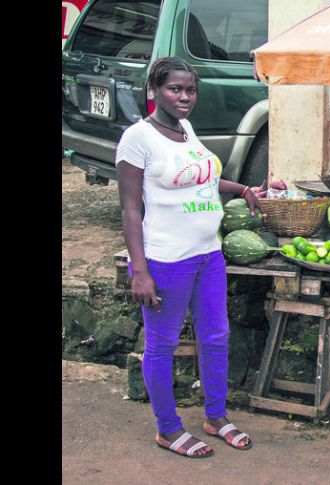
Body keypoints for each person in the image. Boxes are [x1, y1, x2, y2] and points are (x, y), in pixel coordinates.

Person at [117, 56, 258, 458]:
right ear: (154, 90)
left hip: (207, 254)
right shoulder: (138, 138)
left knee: (216, 337)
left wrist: (243, 188)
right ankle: (168, 428)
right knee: (161, 345)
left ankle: (215, 416)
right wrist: (139, 271)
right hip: (165, 260)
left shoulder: (185, 130)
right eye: (174, 89)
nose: (184, 97)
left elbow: (203, 178)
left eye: (190, 90)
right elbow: (130, 210)